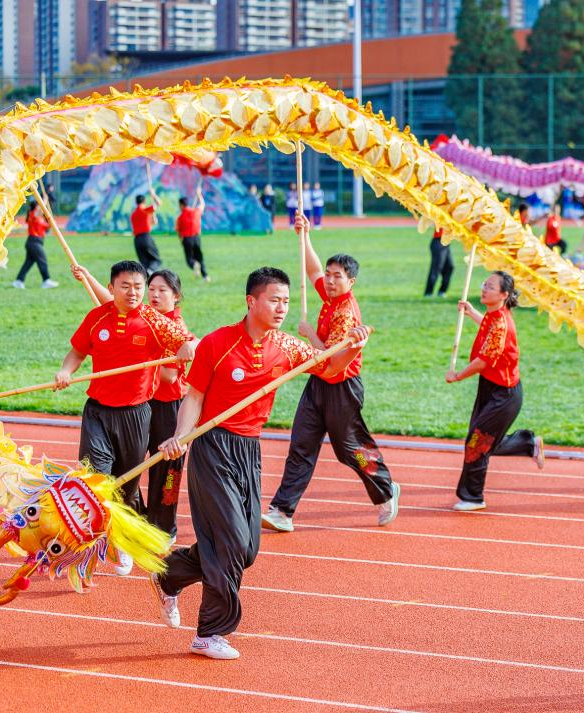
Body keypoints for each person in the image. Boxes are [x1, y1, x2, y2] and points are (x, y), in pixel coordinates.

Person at [150, 267, 369, 660]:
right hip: (213, 447)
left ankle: (170, 574)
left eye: (286, 301)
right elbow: (194, 397)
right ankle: (210, 633)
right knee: (231, 543)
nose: (282, 307)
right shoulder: (218, 343)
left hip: (249, 450)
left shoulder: (288, 347)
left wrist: (353, 346)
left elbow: (331, 368)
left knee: (247, 550)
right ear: (251, 301)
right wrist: (181, 437)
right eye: (274, 300)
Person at [55, 261, 195, 574]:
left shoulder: (155, 321)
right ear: (112, 287)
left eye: (138, 287)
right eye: (125, 286)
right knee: (96, 478)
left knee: (126, 486)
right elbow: (77, 351)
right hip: (97, 410)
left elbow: (191, 341)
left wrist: (188, 347)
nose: (133, 292)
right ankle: (96, 539)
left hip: (136, 414)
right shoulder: (97, 317)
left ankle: (124, 540)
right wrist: (65, 371)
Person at [265, 216, 399, 532]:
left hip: (341, 387)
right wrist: (305, 236)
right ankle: (282, 511)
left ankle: (385, 488)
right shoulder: (329, 297)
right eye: (329, 274)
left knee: (350, 451)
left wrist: (308, 334)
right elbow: (312, 269)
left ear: (351, 282)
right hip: (318, 384)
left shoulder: (346, 313)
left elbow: (332, 361)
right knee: (301, 444)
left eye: (337, 276)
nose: (328, 280)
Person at [445, 271, 544, 510]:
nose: (484, 289)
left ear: (503, 294)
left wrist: (457, 376)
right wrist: (471, 313)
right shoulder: (494, 315)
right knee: (482, 439)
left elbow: (482, 362)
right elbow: (489, 327)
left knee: (477, 442)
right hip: (490, 388)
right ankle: (528, 444)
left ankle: (473, 497)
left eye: (490, 287)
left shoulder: (501, 322)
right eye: (484, 284)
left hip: (504, 395)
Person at [12, 199, 60, 289]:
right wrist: (45, 199)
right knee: (42, 260)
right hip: (33, 242)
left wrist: (52, 223)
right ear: (36, 207)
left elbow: (46, 228)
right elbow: (40, 209)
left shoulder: (40, 218)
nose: (42, 208)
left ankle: (18, 281)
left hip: (37, 242)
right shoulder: (33, 214)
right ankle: (46, 280)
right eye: (40, 206)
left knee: (28, 263)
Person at [176, 185, 209, 282]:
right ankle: (206, 277)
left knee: (189, 260)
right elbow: (202, 204)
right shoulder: (196, 212)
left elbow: (178, 231)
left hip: (187, 239)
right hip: (196, 238)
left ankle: (194, 265)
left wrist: (181, 240)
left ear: (181, 205)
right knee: (200, 258)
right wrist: (199, 194)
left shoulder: (180, 217)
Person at [131, 193, 162, 271]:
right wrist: (153, 194)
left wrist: (152, 217)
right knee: (156, 260)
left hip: (137, 240)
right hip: (146, 237)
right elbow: (159, 203)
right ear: (144, 201)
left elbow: (150, 222)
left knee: (144, 263)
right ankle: (150, 271)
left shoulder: (133, 214)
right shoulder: (145, 210)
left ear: (136, 202)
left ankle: (146, 275)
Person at [424, 228, 454, 297]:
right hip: (438, 241)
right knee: (436, 268)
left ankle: (442, 291)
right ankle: (428, 292)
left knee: (450, 267)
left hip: (446, 244)